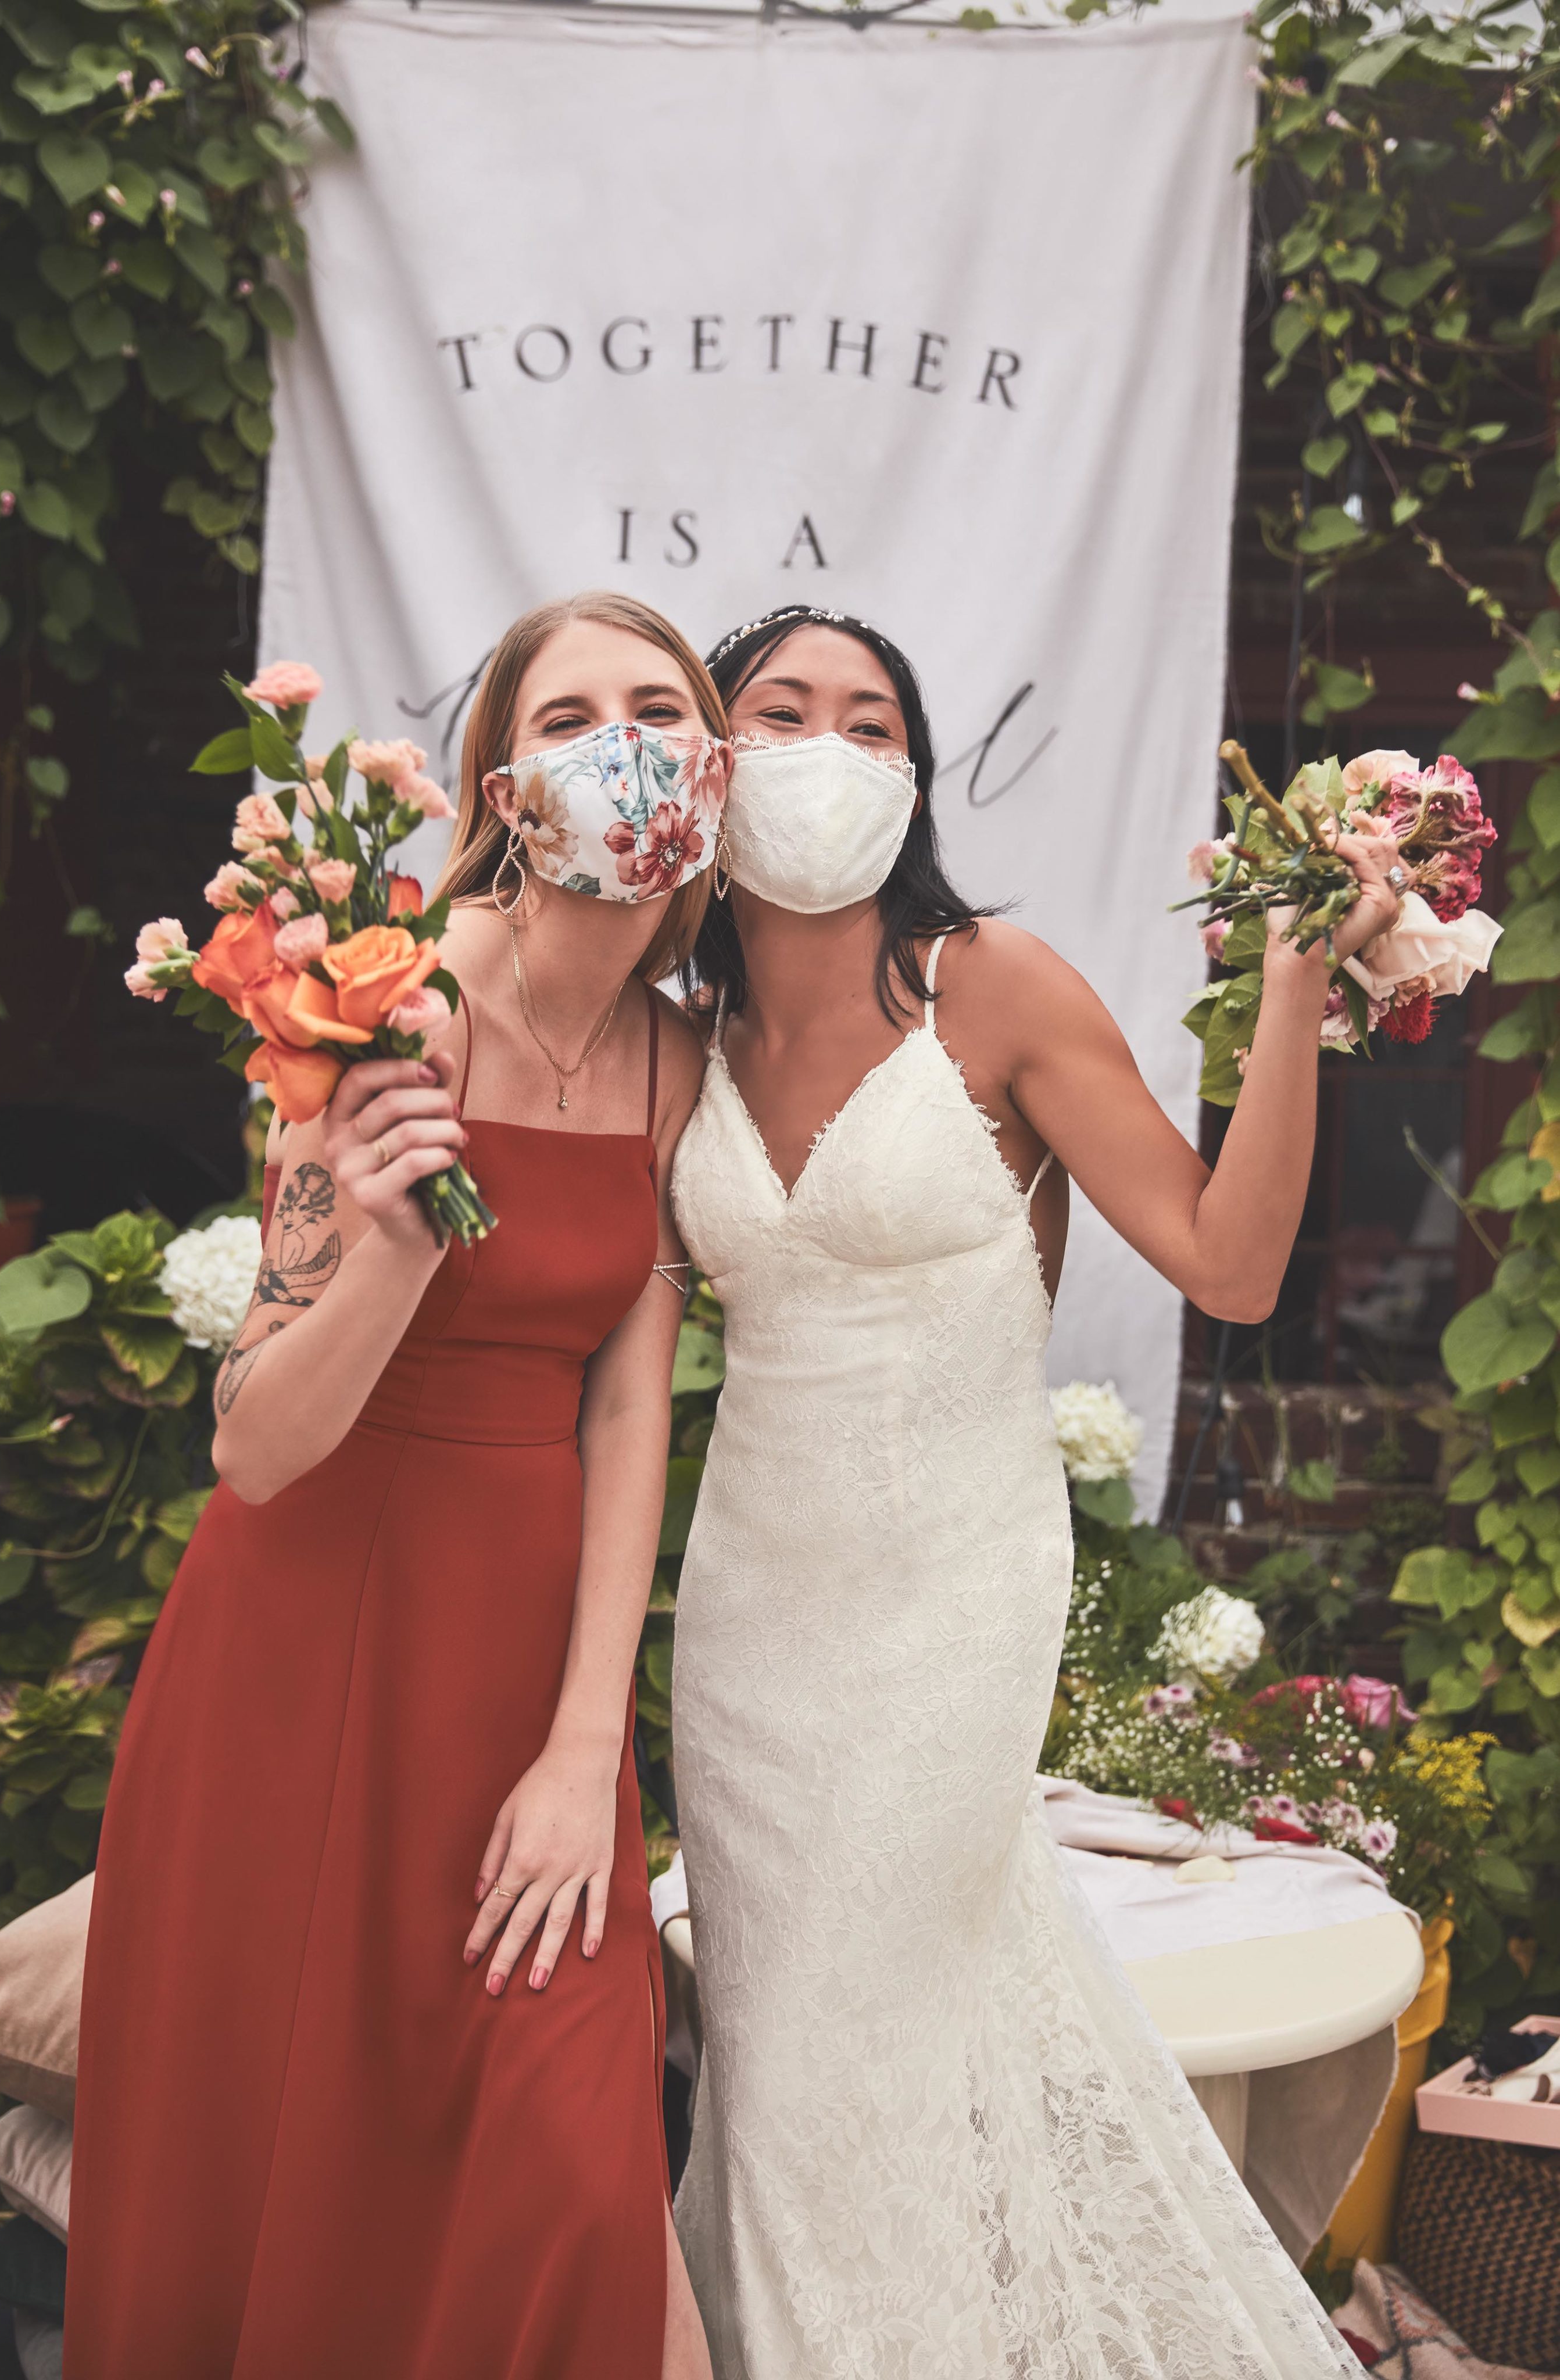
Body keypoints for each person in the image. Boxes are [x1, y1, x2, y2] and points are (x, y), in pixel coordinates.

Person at [668, 603, 1400, 2378]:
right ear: (708, 751)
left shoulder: (986, 982)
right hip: (751, 1620)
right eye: (783, 711)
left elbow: (1227, 1265)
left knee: (869, 2022)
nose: (827, 752)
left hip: (948, 1603)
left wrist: (1295, 983)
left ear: (911, 774)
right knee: (774, 2053)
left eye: (869, 724)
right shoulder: (674, 1016)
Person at [68, 593, 727, 2380]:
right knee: (284, 2167)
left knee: (576, 2179)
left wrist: (593, 1744)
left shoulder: (683, 1060)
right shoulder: (385, 999)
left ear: (716, 766)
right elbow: (253, 1442)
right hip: (301, 1637)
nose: (626, 747)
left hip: (523, 1667)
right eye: (576, 714)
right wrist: (386, 1246)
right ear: (507, 787)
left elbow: (624, 1415)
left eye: (660, 709)